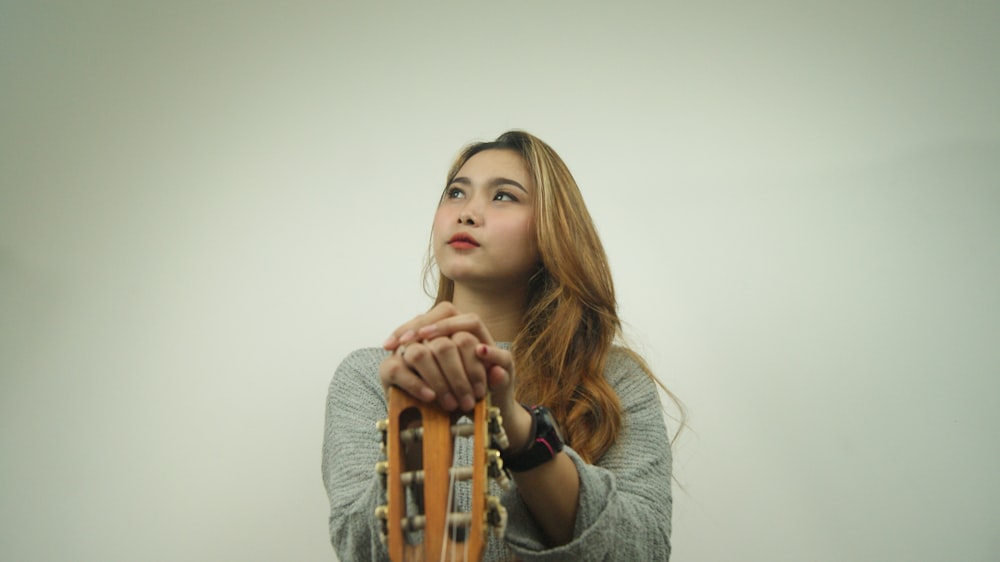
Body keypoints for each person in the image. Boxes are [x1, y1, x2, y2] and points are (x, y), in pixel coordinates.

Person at [322, 130, 677, 561]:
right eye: (456, 192)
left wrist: (518, 428)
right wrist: (421, 426)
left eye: (504, 196)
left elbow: (644, 551)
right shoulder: (370, 377)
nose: (467, 213)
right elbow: (359, 550)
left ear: (553, 228)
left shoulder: (613, 379)